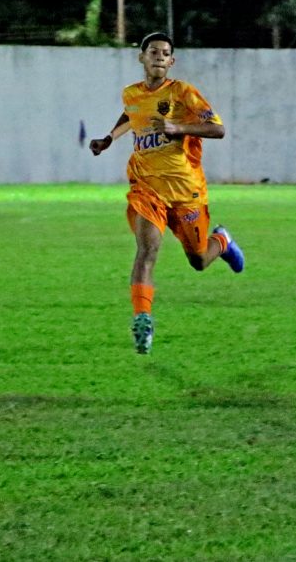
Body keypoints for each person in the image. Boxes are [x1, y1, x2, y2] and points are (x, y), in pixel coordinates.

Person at [89, 31, 244, 355]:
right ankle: (142, 319)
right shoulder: (131, 93)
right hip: (147, 189)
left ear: (171, 61)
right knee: (147, 250)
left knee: (199, 260)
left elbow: (218, 129)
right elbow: (132, 114)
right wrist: (109, 139)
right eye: (153, 51)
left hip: (186, 192)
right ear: (142, 57)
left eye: (165, 53)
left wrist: (178, 128)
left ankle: (222, 241)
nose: (159, 56)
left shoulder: (183, 93)